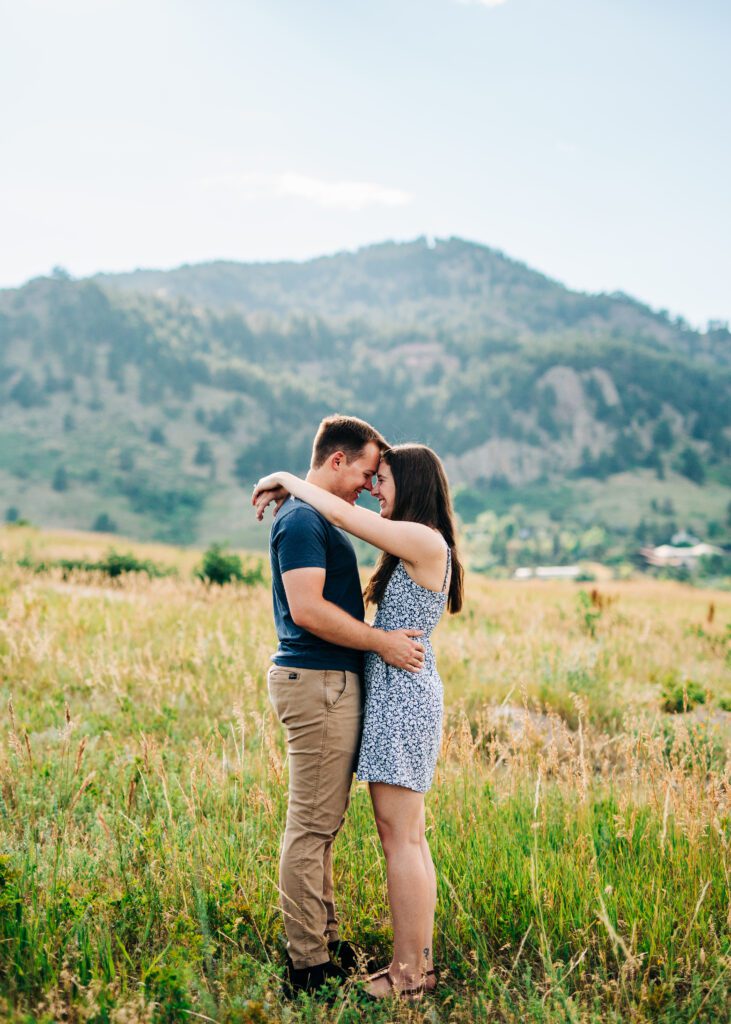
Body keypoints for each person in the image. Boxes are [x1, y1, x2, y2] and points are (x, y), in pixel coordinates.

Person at [253, 441, 464, 1001]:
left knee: (401, 841)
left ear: (412, 484)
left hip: (402, 696)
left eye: (384, 479)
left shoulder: (423, 539)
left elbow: (343, 515)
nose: (376, 489)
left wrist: (284, 477)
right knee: (408, 839)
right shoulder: (418, 542)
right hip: (400, 690)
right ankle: (415, 971)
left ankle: (406, 978)